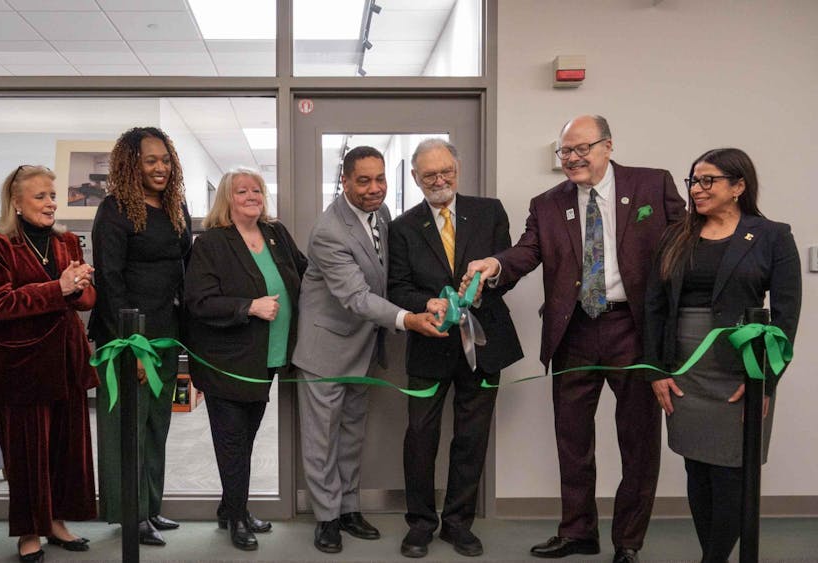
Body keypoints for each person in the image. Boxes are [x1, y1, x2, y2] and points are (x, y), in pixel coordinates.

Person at [463, 115, 686, 563]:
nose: (573, 158)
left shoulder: (651, 186)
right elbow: (527, 252)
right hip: (574, 330)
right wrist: (495, 264)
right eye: (565, 151)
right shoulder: (547, 203)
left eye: (582, 148)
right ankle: (578, 531)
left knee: (638, 442)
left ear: (608, 145)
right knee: (572, 440)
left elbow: (685, 243)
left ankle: (628, 541)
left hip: (634, 330)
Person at [644, 148, 800, 563]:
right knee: (697, 469)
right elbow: (655, 306)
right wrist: (657, 370)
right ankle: (710, 555)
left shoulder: (772, 235)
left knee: (733, 472)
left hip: (742, 370)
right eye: (693, 180)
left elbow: (786, 316)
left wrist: (764, 380)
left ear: (739, 186)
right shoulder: (675, 233)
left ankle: (712, 559)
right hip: (685, 369)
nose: (697, 189)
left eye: (708, 180)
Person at [293, 145, 446, 554]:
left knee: (351, 434)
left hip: (362, 345)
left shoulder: (382, 215)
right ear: (344, 182)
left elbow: (385, 276)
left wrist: (427, 300)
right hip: (325, 348)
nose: (374, 188)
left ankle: (346, 508)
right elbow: (357, 298)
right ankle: (326, 519)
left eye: (380, 179)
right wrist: (409, 319)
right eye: (363, 180)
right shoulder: (329, 231)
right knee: (322, 439)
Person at [388, 138, 523, 558]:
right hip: (430, 346)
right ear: (415, 178)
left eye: (446, 171)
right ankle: (420, 524)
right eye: (429, 175)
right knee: (420, 438)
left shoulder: (490, 211)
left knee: (472, 437)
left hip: (485, 346)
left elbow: (509, 272)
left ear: (457, 169)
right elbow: (397, 287)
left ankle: (458, 523)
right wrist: (424, 303)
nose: (440, 180)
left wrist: (483, 288)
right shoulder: (403, 227)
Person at [184, 168, 308, 551]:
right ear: (227, 199)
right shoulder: (212, 244)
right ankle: (237, 517)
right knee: (233, 441)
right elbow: (199, 301)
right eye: (242, 191)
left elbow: (307, 275)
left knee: (246, 438)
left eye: (257, 189)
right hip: (226, 361)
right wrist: (248, 307)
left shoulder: (276, 234)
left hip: (266, 358)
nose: (252, 195)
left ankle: (229, 506)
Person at [0, 165, 99, 562]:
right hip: (23, 367)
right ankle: (29, 531)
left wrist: (81, 286)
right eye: (40, 197)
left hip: (67, 362)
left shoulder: (67, 241)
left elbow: (84, 301)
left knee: (68, 450)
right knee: (27, 455)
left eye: (53, 196)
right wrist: (60, 287)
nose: (51, 203)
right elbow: (0, 304)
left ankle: (57, 522)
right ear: (16, 202)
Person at [89, 126, 192, 547]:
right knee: (127, 427)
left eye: (165, 160)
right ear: (131, 164)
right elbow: (111, 282)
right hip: (127, 338)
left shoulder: (175, 207)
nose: (160, 167)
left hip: (166, 334)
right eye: (150, 160)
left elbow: (183, 267)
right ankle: (128, 514)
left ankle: (150, 507)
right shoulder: (114, 210)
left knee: (157, 424)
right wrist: (131, 347)